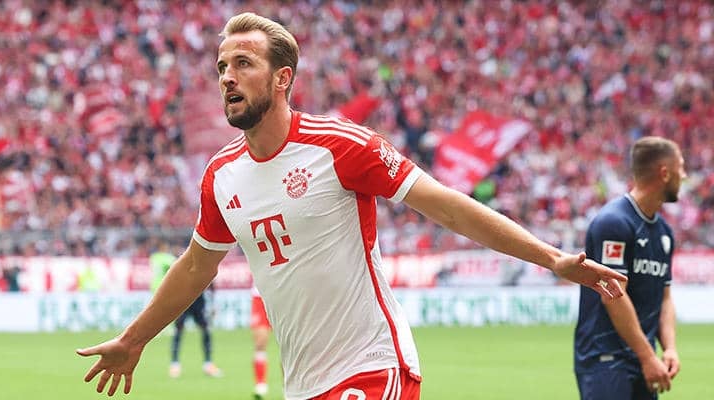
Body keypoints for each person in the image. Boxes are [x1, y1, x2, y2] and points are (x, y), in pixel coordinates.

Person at [77, 12, 627, 399]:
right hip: (303, 384)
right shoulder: (221, 176)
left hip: (373, 367)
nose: (227, 77)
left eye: (243, 63)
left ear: (283, 78)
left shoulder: (341, 146)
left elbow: (447, 206)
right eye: (222, 66)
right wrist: (133, 339)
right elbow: (197, 264)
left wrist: (551, 258)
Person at [574, 136, 684, 400]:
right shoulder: (614, 222)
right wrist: (648, 356)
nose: (684, 175)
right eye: (681, 167)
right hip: (606, 360)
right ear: (665, 173)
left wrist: (669, 348)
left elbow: (664, 297)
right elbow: (613, 295)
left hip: (643, 359)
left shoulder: (664, 232)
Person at [149, 244, 222, 379]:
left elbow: (211, 282)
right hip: (183, 302)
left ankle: (208, 364)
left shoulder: (205, 264)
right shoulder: (182, 265)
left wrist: (213, 304)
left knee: (205, 330)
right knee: (179, 331)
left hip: (199, 302)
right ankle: (175, 364)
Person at [250, 287, 272, 399]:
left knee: (289, 345)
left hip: (283, 295)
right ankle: (260, 383)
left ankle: (288, 387)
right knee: (260, 341)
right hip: (260, 296)